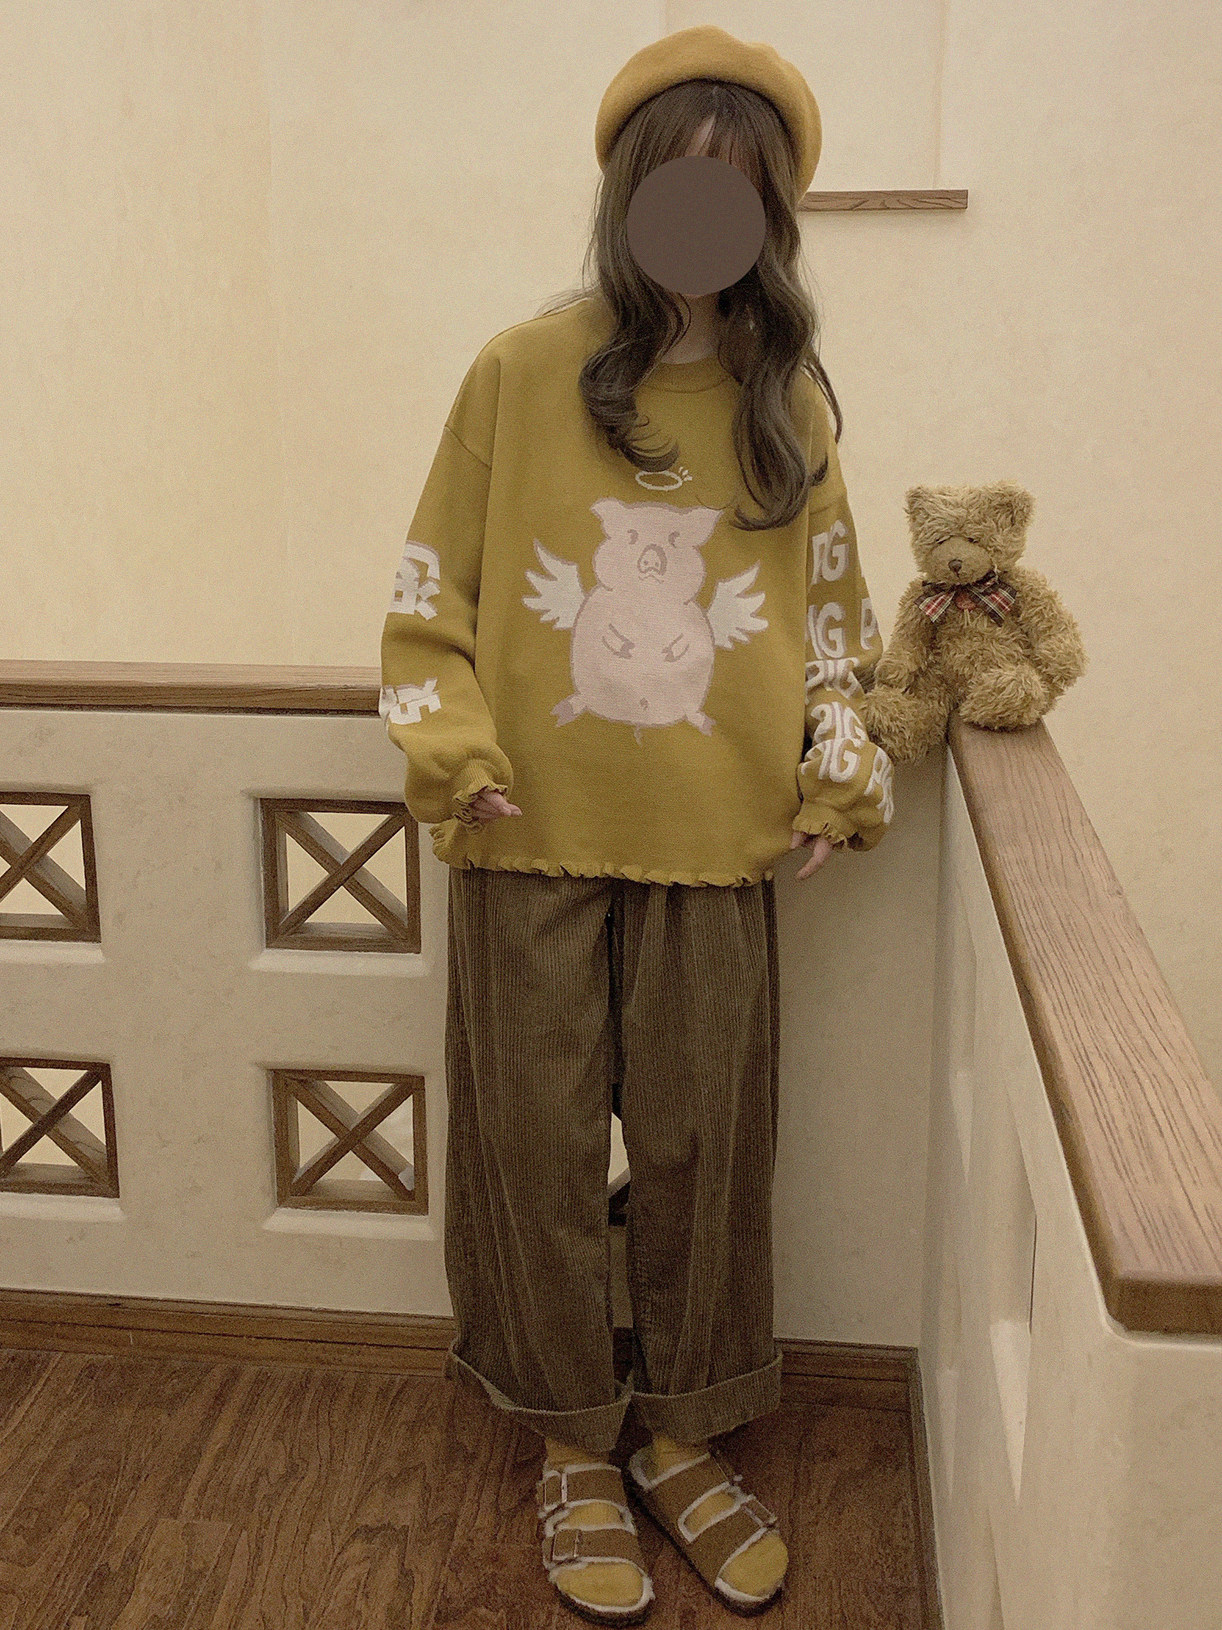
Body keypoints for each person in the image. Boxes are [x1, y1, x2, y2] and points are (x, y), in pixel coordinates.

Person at [379, 24, 894, 1624]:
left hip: (714, 846)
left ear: (772, 216)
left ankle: (683, 1431)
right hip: (524, 833)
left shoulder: (786, 402)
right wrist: (454, 749)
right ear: (625, 195)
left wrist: (835, 766)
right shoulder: (518, 372)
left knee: (703, 1150)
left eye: (734, 193)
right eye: (676, 186)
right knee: (530, 1154)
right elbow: (426, 600)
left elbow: (834, 622)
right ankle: (568, 1445)